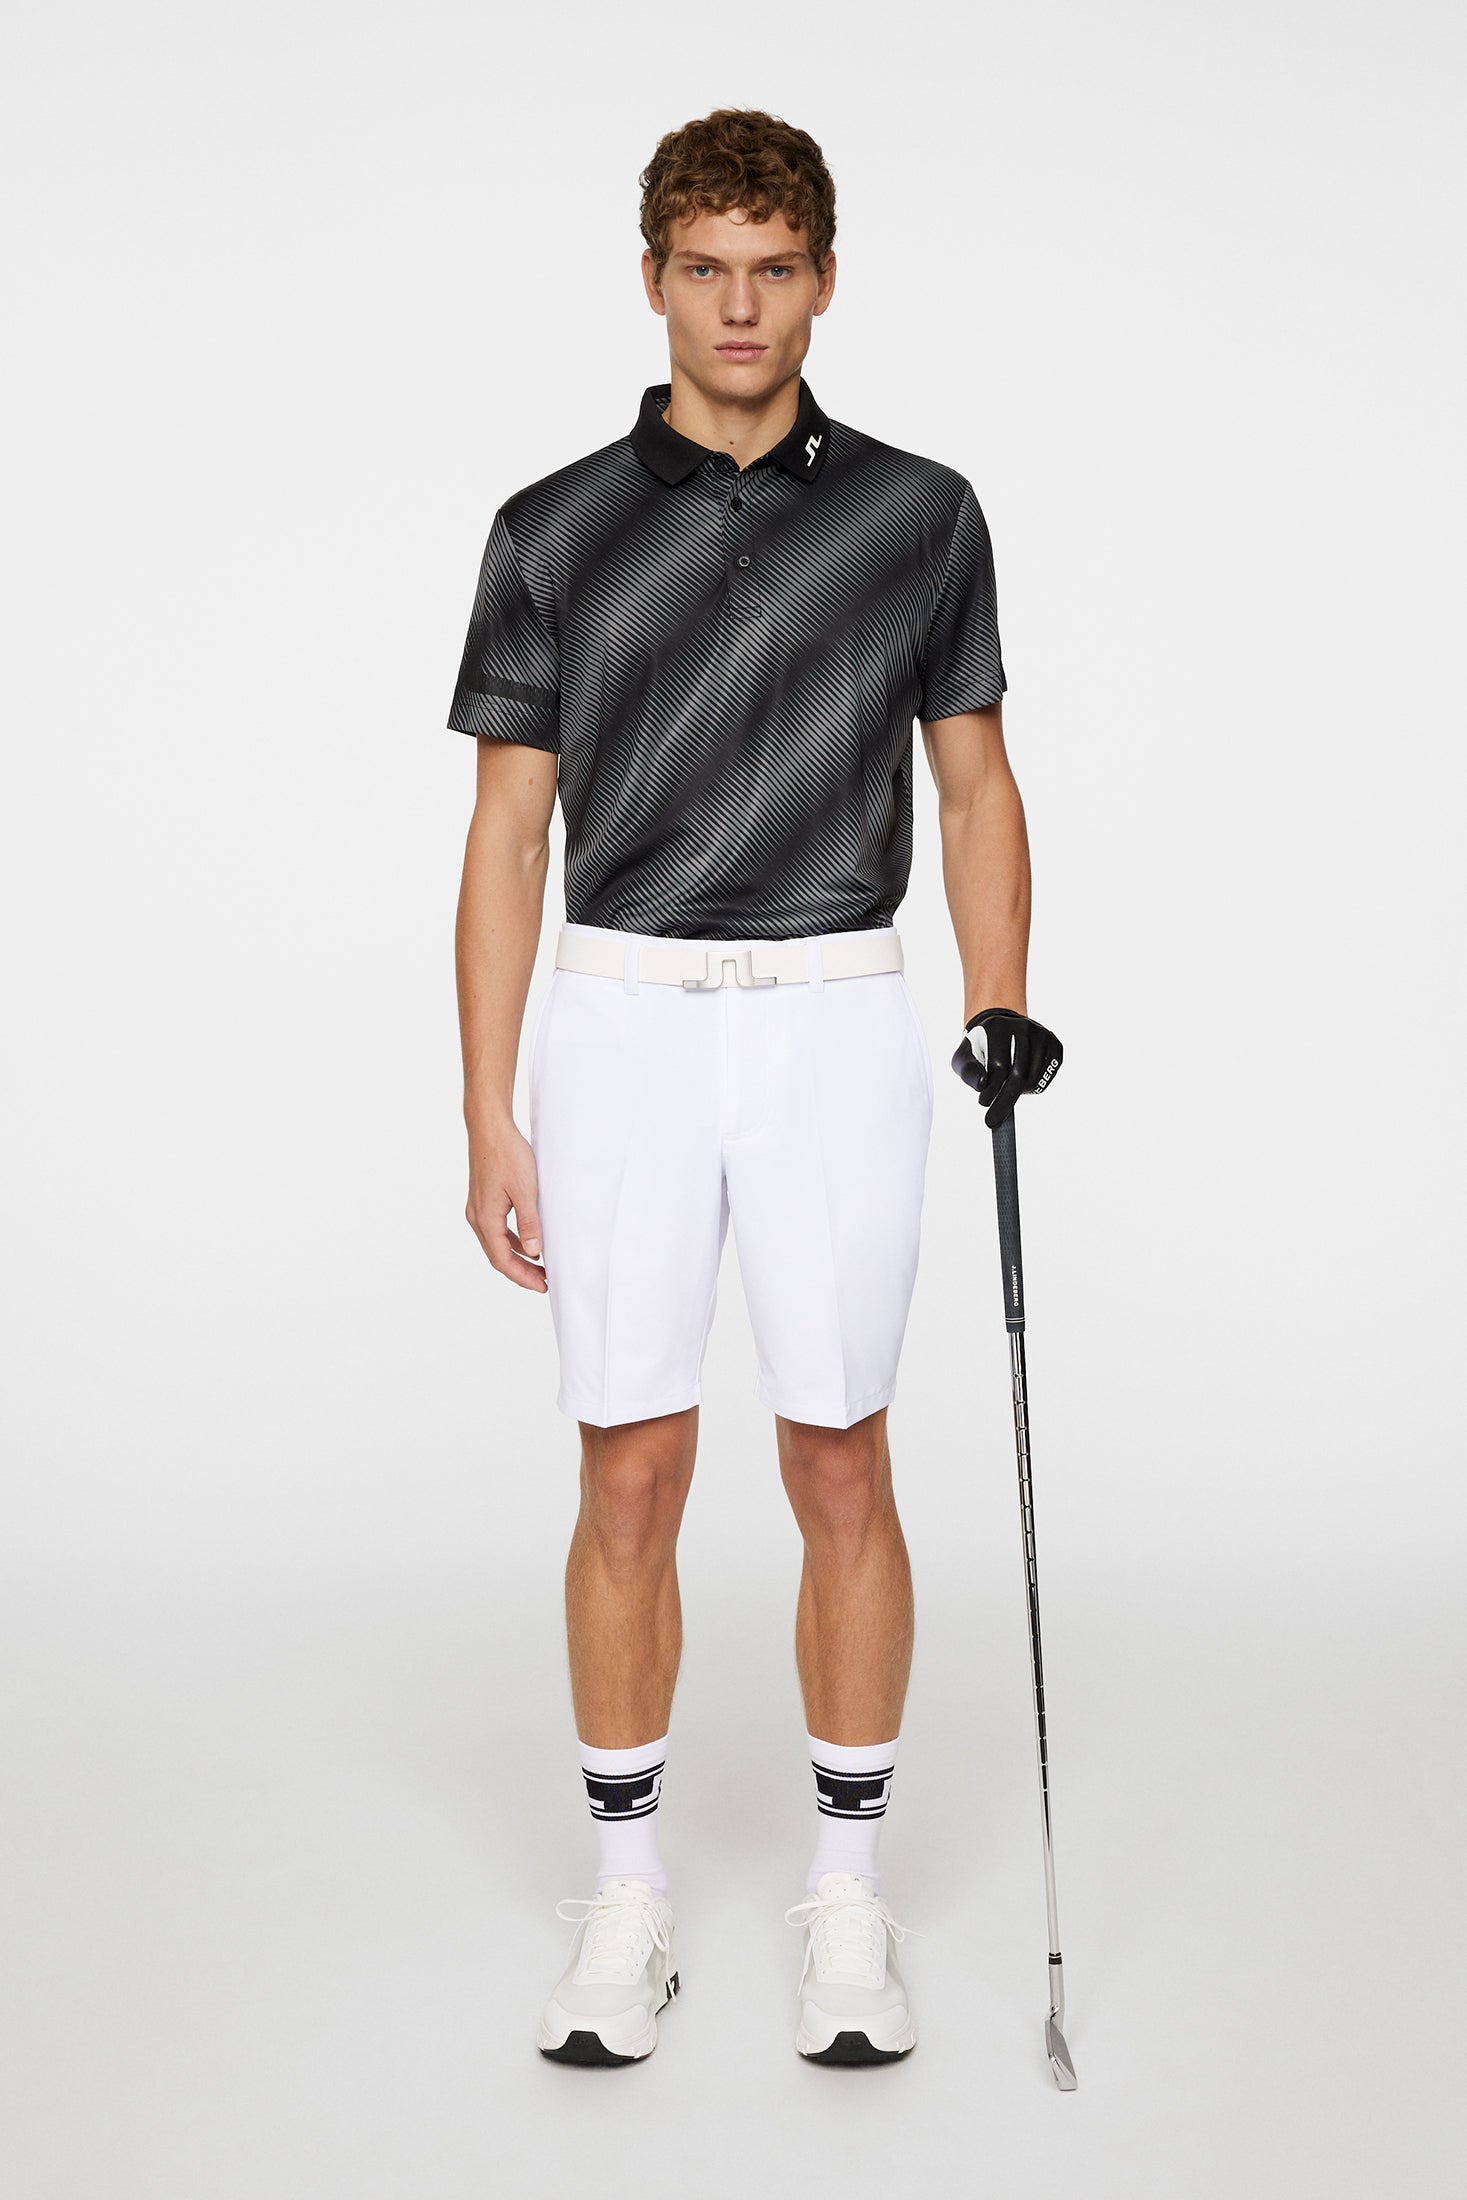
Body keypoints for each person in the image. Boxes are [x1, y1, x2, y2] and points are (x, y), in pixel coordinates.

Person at [446, 106, 1062, 2067]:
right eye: (704, 268)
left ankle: (847, 1895)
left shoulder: (918, 512)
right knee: (626, 1464)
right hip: (620, 1017)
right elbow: (505, 835)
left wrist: (998, 999)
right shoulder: (551, 526)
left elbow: (973, 782)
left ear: (822, 280)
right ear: (652, 279)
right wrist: (489, 1106)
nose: (738, 305)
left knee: (837, 1457)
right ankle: (627, 1897)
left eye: (772, 269)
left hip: (830, 1013)